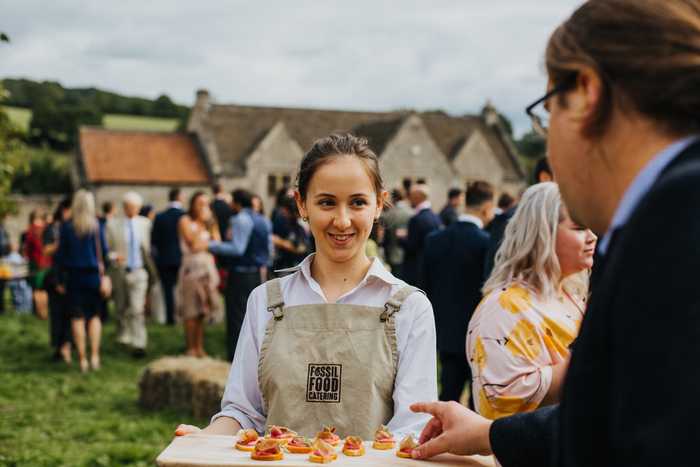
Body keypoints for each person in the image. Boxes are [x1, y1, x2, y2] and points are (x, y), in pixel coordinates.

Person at [410, 2, 700, 466]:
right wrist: (492, 434)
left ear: (585, 93)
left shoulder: (675, 222)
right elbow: (623, 414)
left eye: (546, 112)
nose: (546, 146)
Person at [175, 133, 437, 440]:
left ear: (379, 204)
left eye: (357, 203)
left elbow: (412, 428)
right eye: (327, 202)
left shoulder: (408, 307)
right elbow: (244, 412)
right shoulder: (266, 301)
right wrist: (205, 439)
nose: (342, 221)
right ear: (302, 204)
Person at [468, 182, 595, 421]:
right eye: (579, 228)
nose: (592, 237)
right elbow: (500, 396)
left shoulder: (573, 298)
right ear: (543, 233)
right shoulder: (504, 308)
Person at [421, 180, 495, 407]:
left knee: (447, 397)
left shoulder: (435, 240)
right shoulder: (486, 243)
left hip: (444, 329)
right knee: (476, 403)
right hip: (477, 332)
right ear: (486, 209)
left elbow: (424, 284)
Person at [209, 189, 272, 361]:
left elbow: (237, 248)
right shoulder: (263, 220)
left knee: (237, 317)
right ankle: (255, 355)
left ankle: (235, 357)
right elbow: (269, 249)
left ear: (236, 203)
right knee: (255, 316)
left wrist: (212, 245)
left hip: (240, 273)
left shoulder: (240, 219)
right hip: (257, 273)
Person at [54, 190, 108, 373]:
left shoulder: (67, 227)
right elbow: (105, 254)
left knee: (77, 318)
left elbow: (60, 256)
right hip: (93, 276)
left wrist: (59, 279)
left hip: (74, 277)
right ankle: (95, 356)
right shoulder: (97, 227)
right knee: (94, 317)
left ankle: (82, 359)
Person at [106, 191, 152, 357]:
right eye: (129, 207)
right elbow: (107, 250)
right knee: (121, 307)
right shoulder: (112, 225)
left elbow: (148, 249)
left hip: (139, 271)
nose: (132, 210)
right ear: (124, 207)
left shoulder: (145, 224)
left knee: (137, 309)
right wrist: (114, 257)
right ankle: (123, 334)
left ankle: (139, 342)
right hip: (120, 271)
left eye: (135, 207)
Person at [176, 191, 221, 357]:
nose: (204, 207)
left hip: (207, 269)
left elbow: (218, 242)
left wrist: (207, 235)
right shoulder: (185, 220)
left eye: (206, 204)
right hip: (191, 269)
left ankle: (199, 346)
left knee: (203, 310)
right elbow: (193, 244)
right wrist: (203, 228)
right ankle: (190, 347)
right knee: (191, 310)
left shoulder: (211, 222)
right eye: (200, 203)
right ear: (193, 204)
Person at [43, 198, 73, 363]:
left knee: (70, 313)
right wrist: (60, 244)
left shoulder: (73, 228)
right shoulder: (52, 228)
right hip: (56, 275)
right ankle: (59, 346)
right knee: (57, 313)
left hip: (71, 274)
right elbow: (46, 251)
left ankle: (67, 345)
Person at [151, 188, 185, 326]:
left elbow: (154, 241)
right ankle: (183, 317)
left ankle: (170, 318)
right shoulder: (185, 216)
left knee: (168, 290)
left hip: (164, 259)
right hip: (182, 258)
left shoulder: (159, 217)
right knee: (182, 290)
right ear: (179, 197)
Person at [400, 183, 442, 286]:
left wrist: (401, 238)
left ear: (418, 197)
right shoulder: (436, 217)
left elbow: (412, 246)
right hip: (430, 267)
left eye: (411, 196)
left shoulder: (417, 219)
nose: (409, 199)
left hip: (415, 269)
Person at [381, 188, 413, 280]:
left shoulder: (389, 214)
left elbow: (385, 236)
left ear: (393, 198)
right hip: (407, 254)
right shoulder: (411, 212)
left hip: (392, 253)